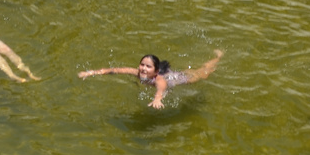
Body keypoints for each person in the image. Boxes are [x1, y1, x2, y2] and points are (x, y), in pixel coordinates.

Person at [80, 50, 223, 109]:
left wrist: (157, 99)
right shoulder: (137, 72)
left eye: (148, 67)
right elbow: (116, 70)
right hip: (167, 74)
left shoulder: (158, 80)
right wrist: (93, 72)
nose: (143, 68)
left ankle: (218, 58)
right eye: (142, 64)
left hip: (181, 79)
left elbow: (161, 88)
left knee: (203, 73)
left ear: (155, 71)